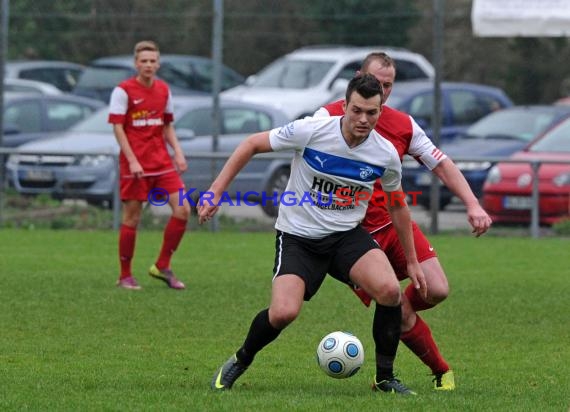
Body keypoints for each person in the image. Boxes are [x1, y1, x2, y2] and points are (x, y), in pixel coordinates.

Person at [199, 74, 427, 395]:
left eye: (371, 113)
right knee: (283, 313)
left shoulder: (385, 154)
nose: (363, 119)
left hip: (346, 235)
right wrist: (214, 192)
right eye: (357, 110)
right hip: (298, 237)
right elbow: (251, 144)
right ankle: (241, 358)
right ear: (344, 106)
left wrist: (413, 261)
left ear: (380, 111)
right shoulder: (311, 131)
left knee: (390, 291)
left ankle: (385, 378)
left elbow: (397, 206)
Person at [314, 52, 493, 390]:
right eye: (375, 83)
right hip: (351, 236)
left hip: (395, 226)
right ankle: (441, 371)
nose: (381, 91)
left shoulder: (403, 124)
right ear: (357, 79)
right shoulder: (327, 116)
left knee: (437, 289)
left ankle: (395, 316)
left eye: (388, 86)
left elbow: (440, 164)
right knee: (397, 305)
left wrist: (473, 204)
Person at [109, 40, 190, 290]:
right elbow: (118, 127)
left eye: (152, 61)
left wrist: (178, 152)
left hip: (161, 162)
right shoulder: (123, 91)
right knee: (132, 218)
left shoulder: (164, 90)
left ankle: (162, 266)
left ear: (158, 64)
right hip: (136, 166)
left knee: (183, 209)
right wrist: (132, 160)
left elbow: (167, 125)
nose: (148, 65)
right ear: (136, 63)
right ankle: (125, 276)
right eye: (143, 61)